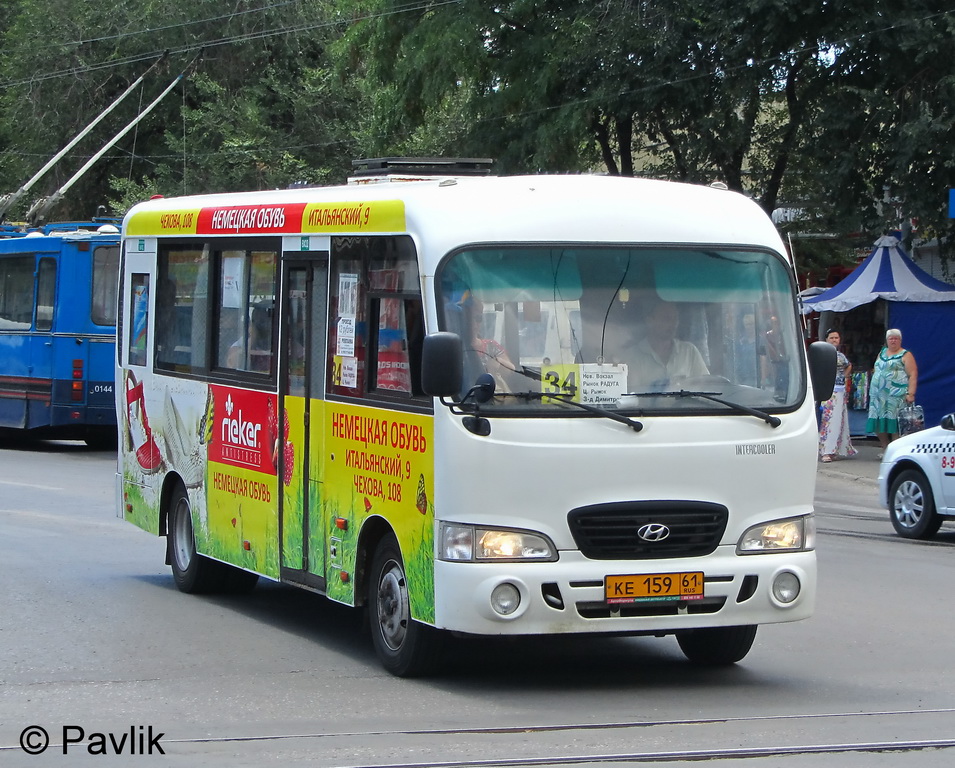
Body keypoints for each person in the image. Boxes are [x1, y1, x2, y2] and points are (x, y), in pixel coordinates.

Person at [626, 299, 708, 391]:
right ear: (650, 321)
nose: (673, 324)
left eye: (675, 319)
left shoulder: (690, 352)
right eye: (666, 319)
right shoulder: (631, 356)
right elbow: (631, 396)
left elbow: (706, 388)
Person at [866, 328, 918, 455]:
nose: (893, 341)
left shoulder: (906, 355)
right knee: (878, 422)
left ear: (900, 340)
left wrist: (911, 393)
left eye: (896, 338)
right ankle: (886, 448)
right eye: (891, 338)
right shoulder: (882, 353)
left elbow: (913, 374)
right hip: (878, 396)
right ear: (887, 340)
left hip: (896, 395)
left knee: (895, 424)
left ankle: (896, 451)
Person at [818, 329, 857, 463]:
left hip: (840, 390)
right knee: (828, 421)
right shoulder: (822, 354)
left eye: (836, 338)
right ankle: (825, 450)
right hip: (827, 391)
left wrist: (844, 376)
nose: (834, 340)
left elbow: (848, 365)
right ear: (826, 339)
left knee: (838, 421)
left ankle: (835, 449)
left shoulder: (841, 356)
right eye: (832, 338)